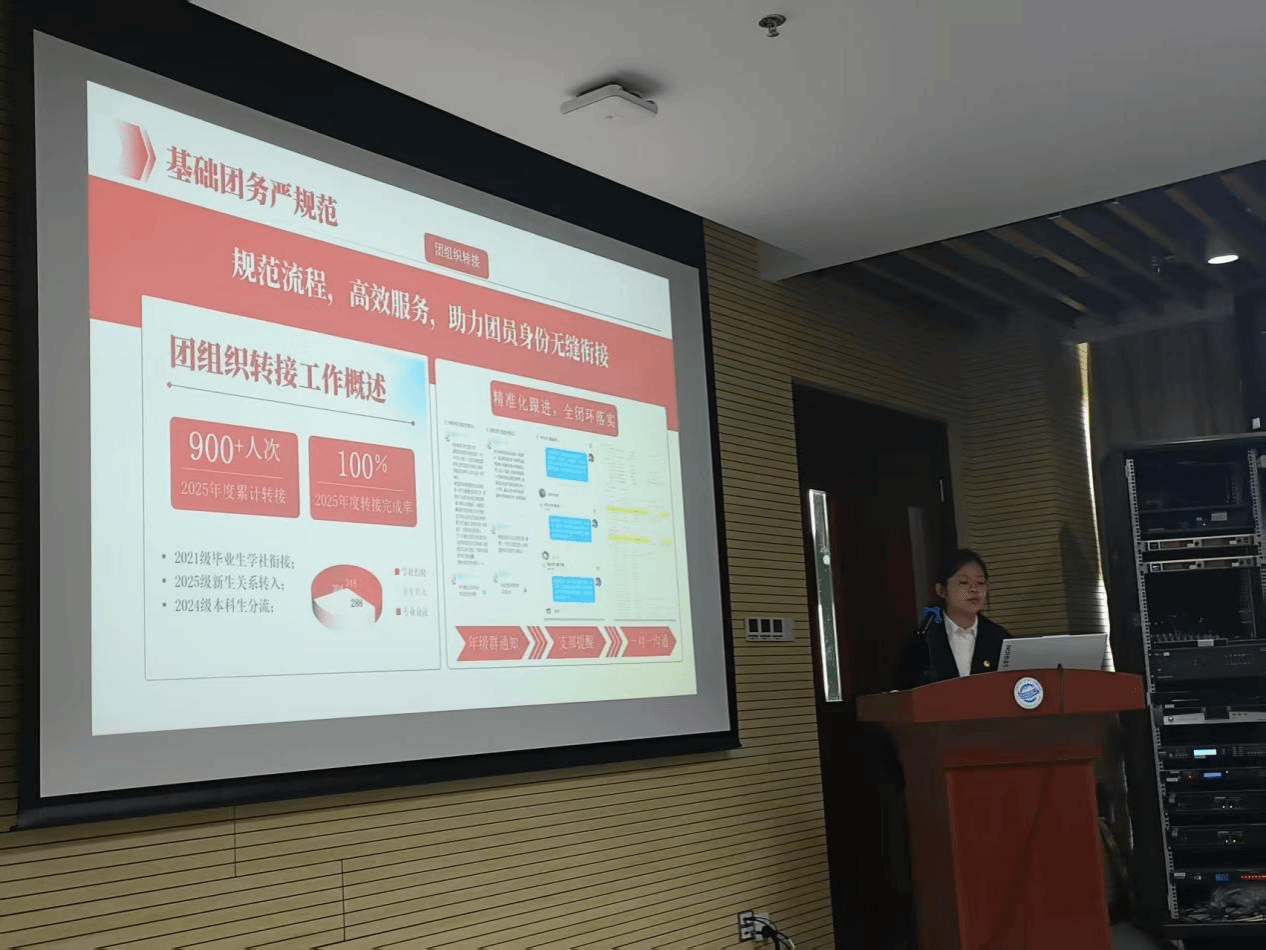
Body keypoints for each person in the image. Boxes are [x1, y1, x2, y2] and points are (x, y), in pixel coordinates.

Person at [894, 548, 1011, 689]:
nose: (974, 589)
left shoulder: (1000, 638)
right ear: (941, 590)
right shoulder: (922, 640)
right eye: (963, 582)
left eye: (980, 583)